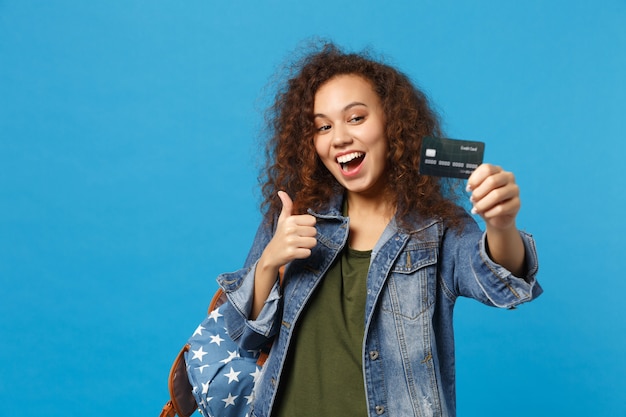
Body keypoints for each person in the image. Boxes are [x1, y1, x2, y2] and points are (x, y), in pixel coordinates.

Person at [217, 42, 542, 417]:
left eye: (356, 118)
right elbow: (242, 337)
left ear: (392, 123)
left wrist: (501, 225)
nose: (338, 137)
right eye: (323, 126)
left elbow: (503, 285)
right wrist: (269, 262)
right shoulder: (293, 215)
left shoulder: (437, 228)